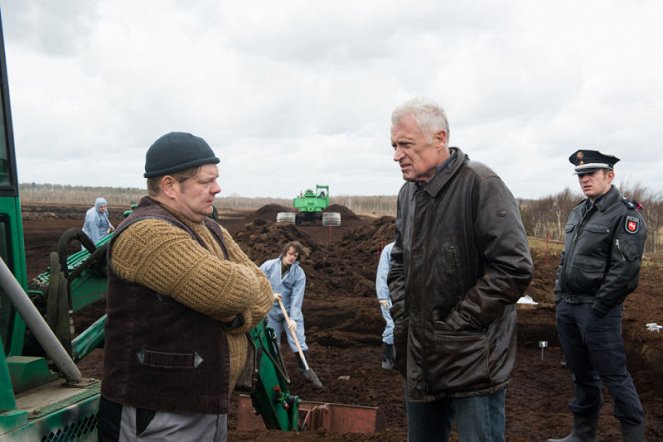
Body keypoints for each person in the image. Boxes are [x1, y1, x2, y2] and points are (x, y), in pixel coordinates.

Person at [98, 132, 273, 442]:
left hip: (203, 407)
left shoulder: (207, 226)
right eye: (206, 182)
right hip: (158, 416)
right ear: (169, 186)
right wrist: (236, 301)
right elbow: (228, 292)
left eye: (216, 179)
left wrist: (237, 317)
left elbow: (262, 286)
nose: (217, 189)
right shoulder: (149, 234)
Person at [388, 97, 533, 442]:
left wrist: (457, 325)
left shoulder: (481, 185)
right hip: (420, 357)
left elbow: (513, 268)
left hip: (472, 362)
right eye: (394, 145)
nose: (396, 155)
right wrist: (403, 312)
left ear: (439, 139)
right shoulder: (408, 195)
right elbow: (398, 261)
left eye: (405, 144)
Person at [548, 150, 647, 442]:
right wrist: (559, 297)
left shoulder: (625, 215)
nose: (585, 179)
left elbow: (626, 271)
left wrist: (600, 307)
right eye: (581, 175)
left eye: (591, 174)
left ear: (610, 176)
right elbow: (566, 259)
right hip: (568, 307)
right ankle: (583, 434)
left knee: (614, 376)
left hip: (598, 311)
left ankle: (633, 436)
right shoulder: (578, 212)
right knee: (581, 374)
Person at [260, 241, 323, 388]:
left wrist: (294, 319)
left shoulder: (299, 274)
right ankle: (275, 372)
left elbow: (297, 297)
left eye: (295, 255)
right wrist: (270, 294)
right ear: (284, 253)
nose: (292, 257)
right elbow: (258, 282)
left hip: (289, 311)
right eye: (290, 254)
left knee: (298, 340)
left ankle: (305, 370)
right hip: (271, 312)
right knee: (272, 341)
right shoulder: (268, 266)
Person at [375, 241, 395, 370]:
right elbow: (383, 273)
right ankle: (388, 359)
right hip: (391, 295)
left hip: (410, 295)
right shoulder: (390, 249)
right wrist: (382, 296)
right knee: (392, 325)